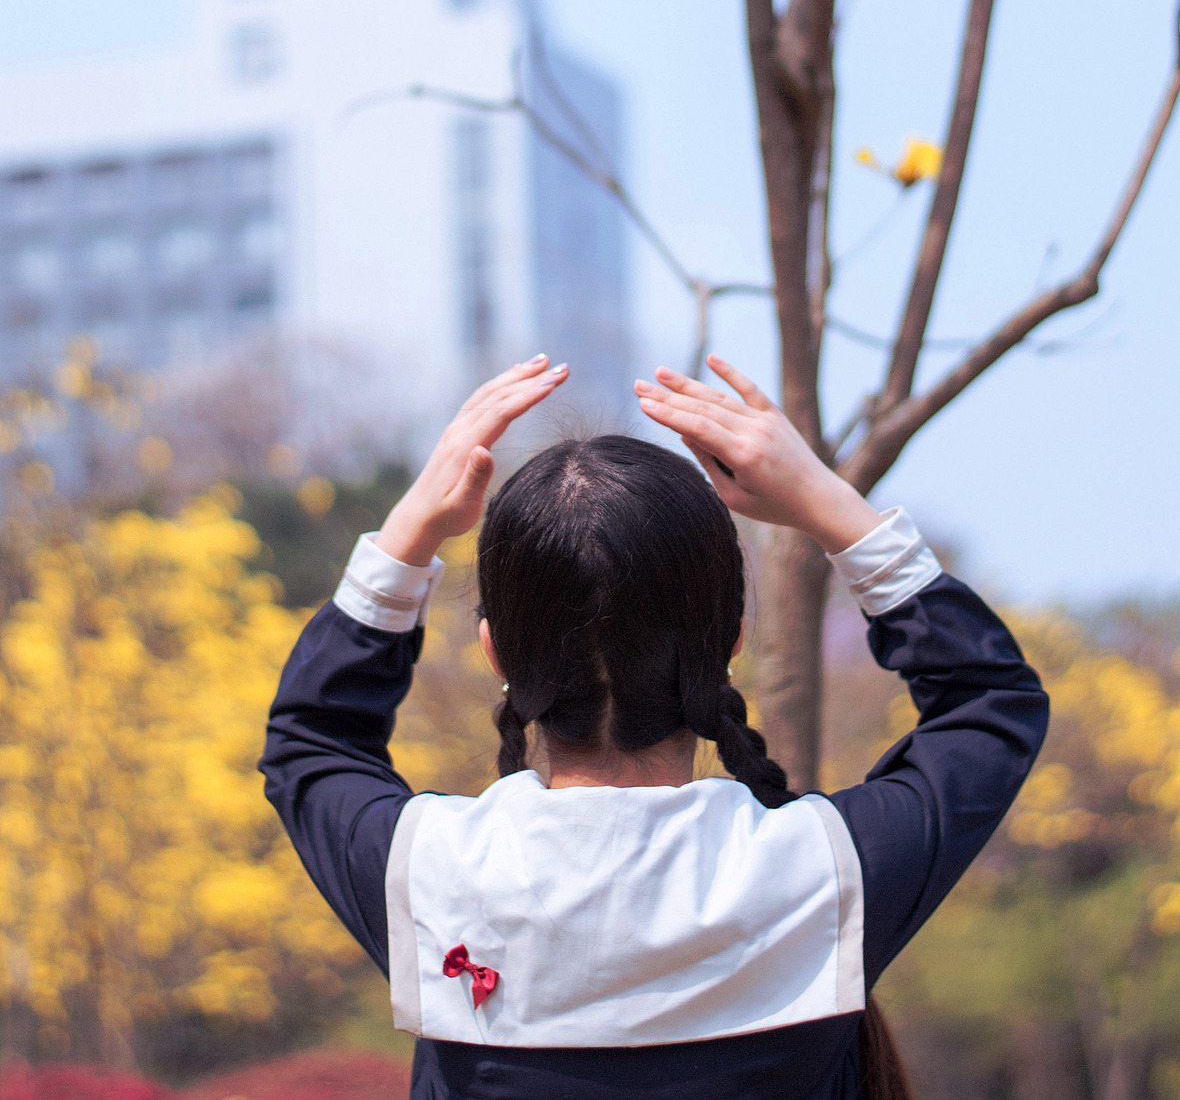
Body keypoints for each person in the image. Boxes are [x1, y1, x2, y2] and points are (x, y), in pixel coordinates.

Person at [262, 351, 1048, 1100]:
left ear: (495, 650)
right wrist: (825, 501)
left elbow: (312, 739)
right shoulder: (822, 873)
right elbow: (989, 701)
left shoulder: (432, 876)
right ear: (732, 641)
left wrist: (409, 530)